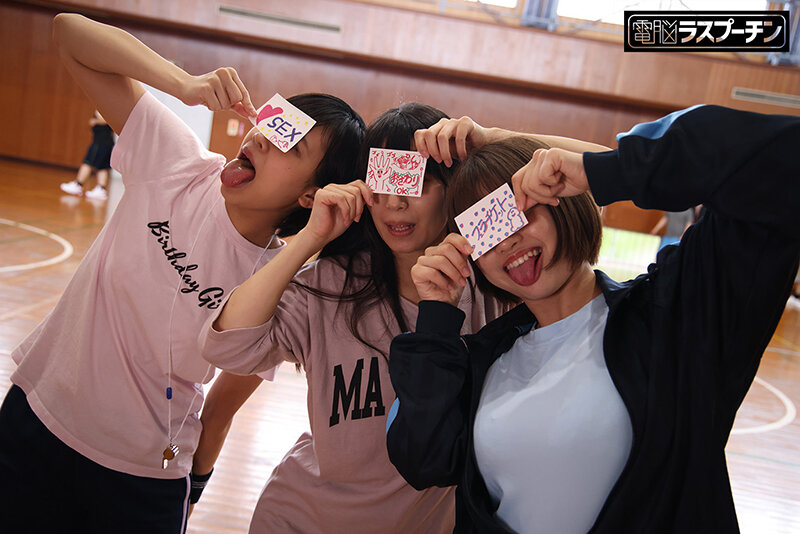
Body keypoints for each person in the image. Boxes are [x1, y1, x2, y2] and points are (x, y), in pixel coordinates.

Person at [0, 13, 364, 534]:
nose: (264, 139)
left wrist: (196, 488)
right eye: (273, 125)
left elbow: (222, 408)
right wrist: (183, 85)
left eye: (292, 145)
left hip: (142, 474)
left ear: (310, 194)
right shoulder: (178, 162)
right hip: (36, 419)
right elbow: (68, 32)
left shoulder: (275, 285)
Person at [386, 106, 800, 533]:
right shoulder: (483, 359)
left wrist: (591, 166)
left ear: (564, 199)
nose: (508, 240)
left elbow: (783, 159)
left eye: (519, 209)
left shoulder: (675, 316)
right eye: (486, 227)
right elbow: (422, 459)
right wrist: (436, 318)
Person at [197, 103, 507, 532]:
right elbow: (226, 347)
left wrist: (490, 141)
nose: (395, 203)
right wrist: (311, 237)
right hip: (298, 520)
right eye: (382, 181)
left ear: (451, 187)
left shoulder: (491, 275)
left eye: (414, 181)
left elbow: (587, 174)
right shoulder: (332, 283)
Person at [60, 109, 116, 200]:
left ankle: (78, 184)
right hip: (106, 143)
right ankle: (101, 188)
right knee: (102, 167)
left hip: (100, 143)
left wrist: (95, 121)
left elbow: (106, 120)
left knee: (88, 162)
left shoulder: (105, 109)